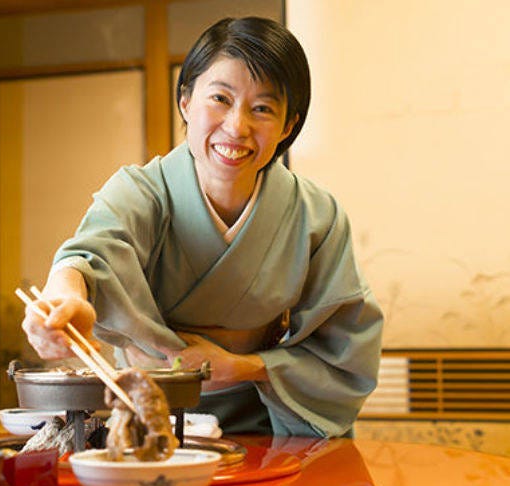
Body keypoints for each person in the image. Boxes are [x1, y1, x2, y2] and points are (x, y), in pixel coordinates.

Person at [21, 16, 383, 438]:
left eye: (262, 108)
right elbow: (89, 254)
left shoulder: (316, 216)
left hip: (269, 428)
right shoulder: (141, 192)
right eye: (220, 99)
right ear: (186, 102)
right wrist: (64, 298)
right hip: (145, 422)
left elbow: (347, 348)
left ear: (288, 126)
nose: (237, 127)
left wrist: (244, 367)